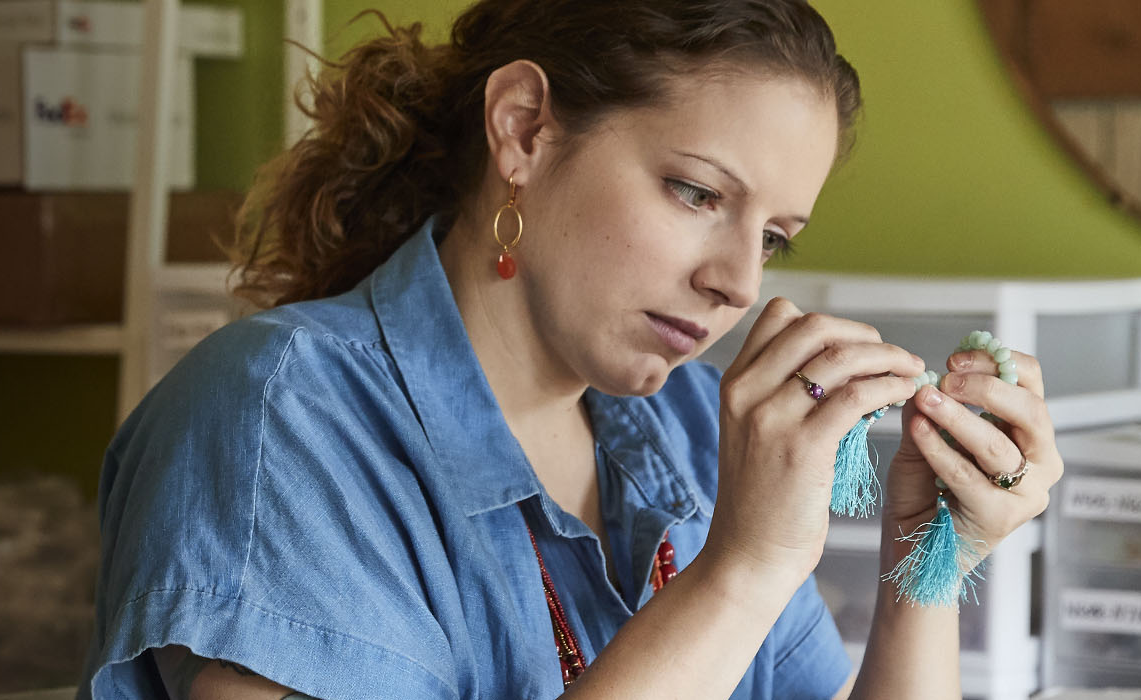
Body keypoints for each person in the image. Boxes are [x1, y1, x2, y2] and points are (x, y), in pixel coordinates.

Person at [79, 0, 1064, 698]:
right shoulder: (278, 417)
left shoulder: (684, 426)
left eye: (773, 237)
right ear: (524, 131)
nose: (740, 279)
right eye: (696, 193)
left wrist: (924, 559)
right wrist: (741, 571)